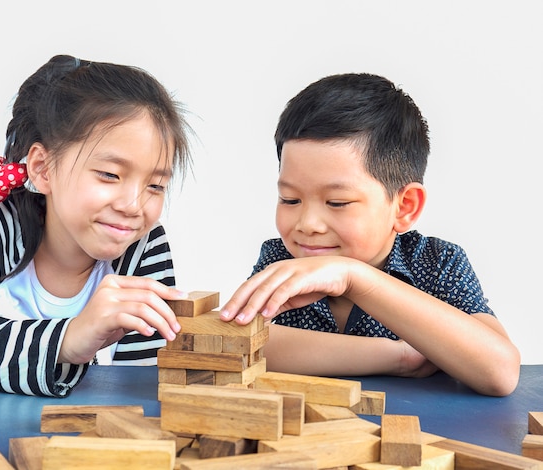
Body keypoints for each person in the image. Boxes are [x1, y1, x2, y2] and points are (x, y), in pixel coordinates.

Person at [220, 73, 520, 397]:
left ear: (404, 206)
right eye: (290, 200)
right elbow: (238, 343)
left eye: (337, 202)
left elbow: (500, 371)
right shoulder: (280, 258)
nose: (308, 224)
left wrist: (355, 277)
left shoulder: (437, 263)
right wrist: (397, 357)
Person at [0, 55, 193, 396]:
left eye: (155, 185)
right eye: (109, 175)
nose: (133, 206)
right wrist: (67, 339)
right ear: (44, 168)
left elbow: (142, 390)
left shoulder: (144, 249)